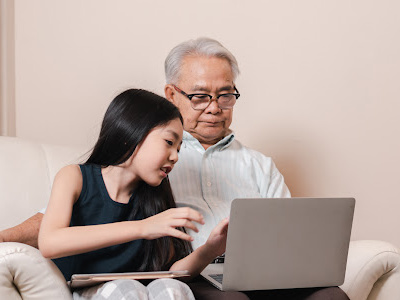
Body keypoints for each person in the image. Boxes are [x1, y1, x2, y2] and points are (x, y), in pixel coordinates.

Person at [0, 37, 349, 300]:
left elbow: (290, 234)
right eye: (200, 96)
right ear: (172, 95)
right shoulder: (146, 172)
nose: (215, 107)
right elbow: (59, 222)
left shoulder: (256, 165)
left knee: (331, 295)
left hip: (246, 273)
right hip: (196, 282)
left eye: (225, 95)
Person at [38, 88, 229, 300]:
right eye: (169, 142)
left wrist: (210, 250)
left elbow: (173, 273)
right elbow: (49, 243)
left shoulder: (156, 197)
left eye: (179, 148)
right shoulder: (75, 177)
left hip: (142, 290)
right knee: (126, 290)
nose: (175, 156)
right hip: (93, 292)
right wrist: (142, 228)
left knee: (171, 288)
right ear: (130, 133)